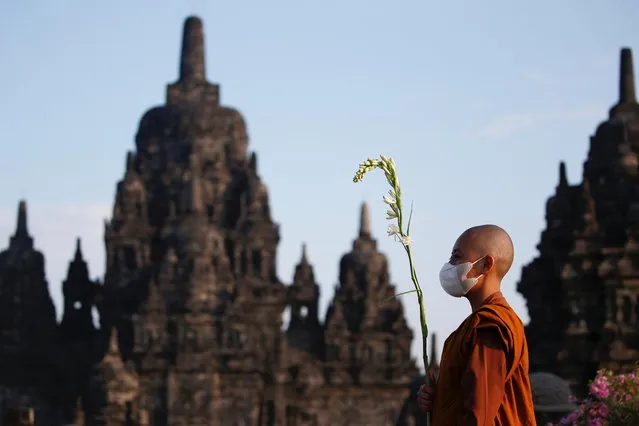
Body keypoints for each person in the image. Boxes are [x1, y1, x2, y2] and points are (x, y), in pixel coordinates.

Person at [417, 225, 536, 425]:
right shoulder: (475, 325)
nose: (450, 264)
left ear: (486, 264)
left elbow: (479, 412)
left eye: (457, 256)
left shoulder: (490, 325)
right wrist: (437, 399)